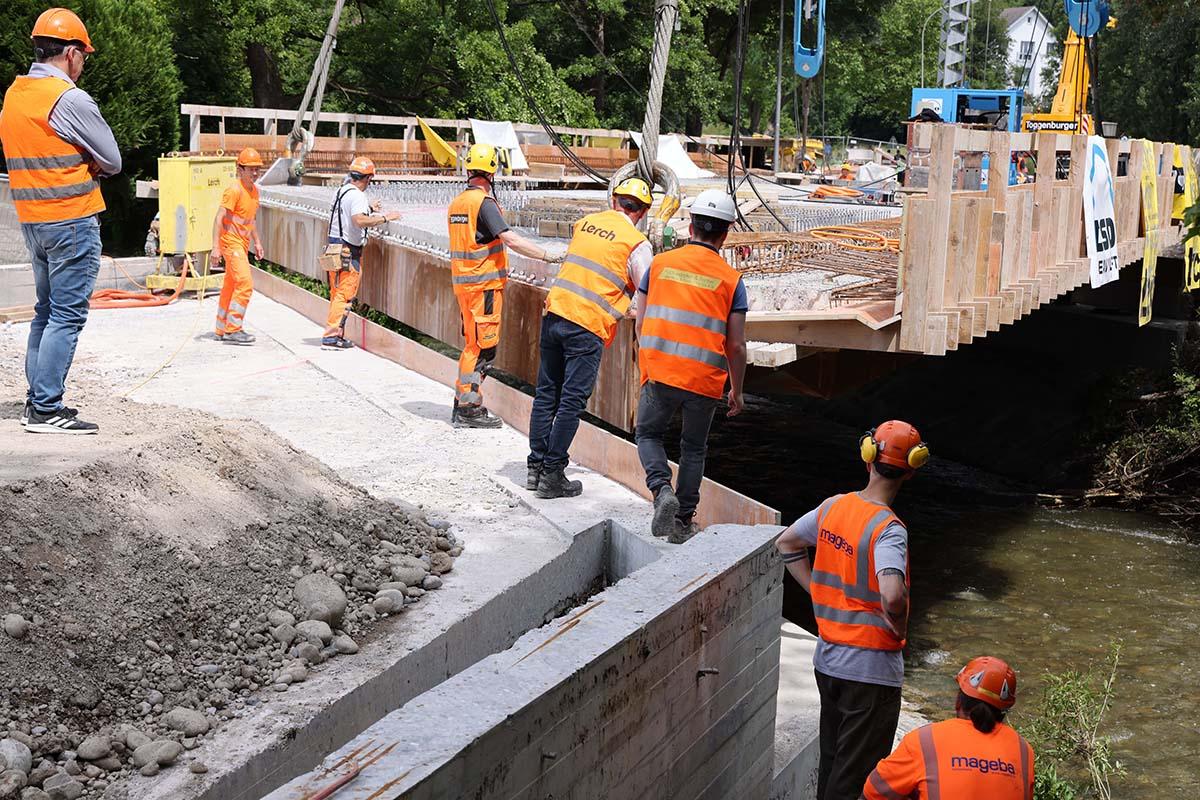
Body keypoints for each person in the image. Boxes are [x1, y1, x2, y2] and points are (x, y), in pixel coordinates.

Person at [774, 420, 930, 800]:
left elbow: (787, 543)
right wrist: (898, 620)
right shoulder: (889, 529)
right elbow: (892, 594)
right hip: (870, 672)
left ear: (867, 457)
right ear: (911, 470)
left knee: (832, 765)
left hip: (828, 663)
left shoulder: (833, 507)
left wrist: (817, 590)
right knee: (855, 781)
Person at [1, 7, 121, 435]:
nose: (83, 64)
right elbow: (113, 160)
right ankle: (46, 407)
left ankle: (37, 400)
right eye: (83, 55)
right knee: (66, 316)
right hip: (71, 220)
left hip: (33, 221)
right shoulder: (69, 99)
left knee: (45, 312)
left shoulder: (15, 95)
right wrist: (89, 160)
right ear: (70, 53)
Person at [526, 177, 654, 498]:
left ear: (614, 201)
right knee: (571, 401)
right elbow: (647, 294)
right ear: (642, 212)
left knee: (546, 394)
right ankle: (552, 474)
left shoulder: (585, 225)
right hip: (586, 326)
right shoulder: (637, 244)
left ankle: (535, 468)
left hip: (555, 312)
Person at [635, 189, 748, 544]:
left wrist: (648, 358)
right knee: (693, 448)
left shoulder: (659, 264)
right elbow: (736, 345)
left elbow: (640, 320)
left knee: (648, 435)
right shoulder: (732, 281)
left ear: (690, 227)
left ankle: (661, 490)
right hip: (704, 380)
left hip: (660, 372)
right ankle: (682, 522)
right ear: (725, 235)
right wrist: (737, 391)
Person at [446, 143, 560, 428]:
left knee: (473, 344)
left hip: (465, 285)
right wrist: (546, 254)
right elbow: (509, 238)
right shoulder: (483, 203)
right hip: (483, 285)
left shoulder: (458, 203)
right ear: (492, 171)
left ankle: (462, 400)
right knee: (483, 348)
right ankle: (468, 407)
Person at [862, 656, 1035, 800]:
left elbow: (873, 792)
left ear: (959, 701)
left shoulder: (924, 740)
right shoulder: (1023, 750)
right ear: (1003, 711)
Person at [321, 156, 400, 349]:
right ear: (368, 178)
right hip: (347, 251)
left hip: (333, 248)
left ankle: (335, 334)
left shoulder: (341, 191)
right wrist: (385, 217)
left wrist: (369, 208)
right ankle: (331, 337)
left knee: (336, 293)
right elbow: (359, 220)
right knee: (344, 294)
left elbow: (347, 214)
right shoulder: (357, 195)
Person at [212, 148, 264, 345]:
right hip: (230, 243)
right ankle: (233, 330)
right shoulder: (234, 190)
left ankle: (221, 328)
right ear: (240, 169)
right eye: (250, 169)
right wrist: (215, 247)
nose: (254, 173)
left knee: (231, 285)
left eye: (257, 169)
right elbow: (218, 219)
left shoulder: (255, 192)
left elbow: (250, 220)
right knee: (245, 284)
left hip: (242, 244)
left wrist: (257, 242)